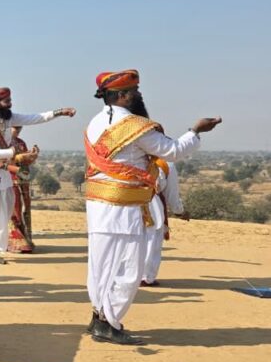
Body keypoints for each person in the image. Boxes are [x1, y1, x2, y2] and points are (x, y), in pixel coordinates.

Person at [84, 70, 221, 344]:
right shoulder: (134, 126)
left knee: (100, 266)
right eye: (134, 91)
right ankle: (108, 323)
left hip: (98, 207)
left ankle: (98, 317)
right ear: (122, 95)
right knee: (129, 269)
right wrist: (195, 131)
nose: (138, 95)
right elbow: (173, 151)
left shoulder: (95, 122)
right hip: (123, 209)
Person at [0, 87, 76, 264]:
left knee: (6, 209)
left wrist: (60, 112)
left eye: (10, 101)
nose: (10, 104)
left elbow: (36, 118)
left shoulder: (9, 118)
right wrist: (0, 154)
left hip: (4, 174)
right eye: (7, 102)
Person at [142, 162, 187, 287]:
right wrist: (179, 211)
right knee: (151, 242)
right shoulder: (166, 164)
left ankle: (125, 276)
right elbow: (172, 194)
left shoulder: (128, 157)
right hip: (151, 205)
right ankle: (145, 277)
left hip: (123, 204)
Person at [6, 127, 39, 254]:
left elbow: (26, 163)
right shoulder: (3, 142)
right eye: (15, 127)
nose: (18, 130)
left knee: (25, 210)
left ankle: (26, 240)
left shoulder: (21, 142)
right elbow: (3, 162)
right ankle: (15, 242)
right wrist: (21, 157)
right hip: (10, 180)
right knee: (15, 210)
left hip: (23, 181)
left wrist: (32, 156)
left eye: (20, 127)